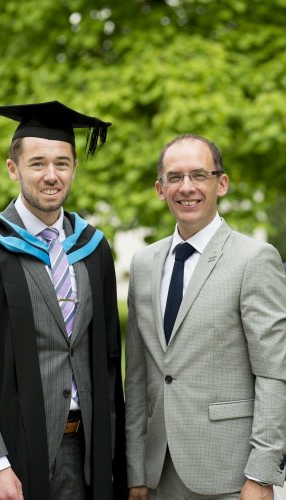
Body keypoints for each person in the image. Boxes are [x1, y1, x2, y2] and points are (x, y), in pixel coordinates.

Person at [0, 100, 127, 500]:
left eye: (61, 163)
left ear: (74, 167)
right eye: (37, 163)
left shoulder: (92, 249)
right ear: (14, 168)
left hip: (85, 457)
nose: (51, 175)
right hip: (10, 458)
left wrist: (112, 457)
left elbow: (108, 363)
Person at [125, 133, 286, 500]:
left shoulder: (254, 260)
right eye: (174, 177)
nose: (187, 188)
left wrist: (261, 474)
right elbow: (137, 378)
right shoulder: (144, 263)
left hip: (231, 475)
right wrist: (136, 470)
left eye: (199, 175)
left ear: (221, 183)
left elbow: (275, 373)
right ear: (160, 188)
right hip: (158, 473)